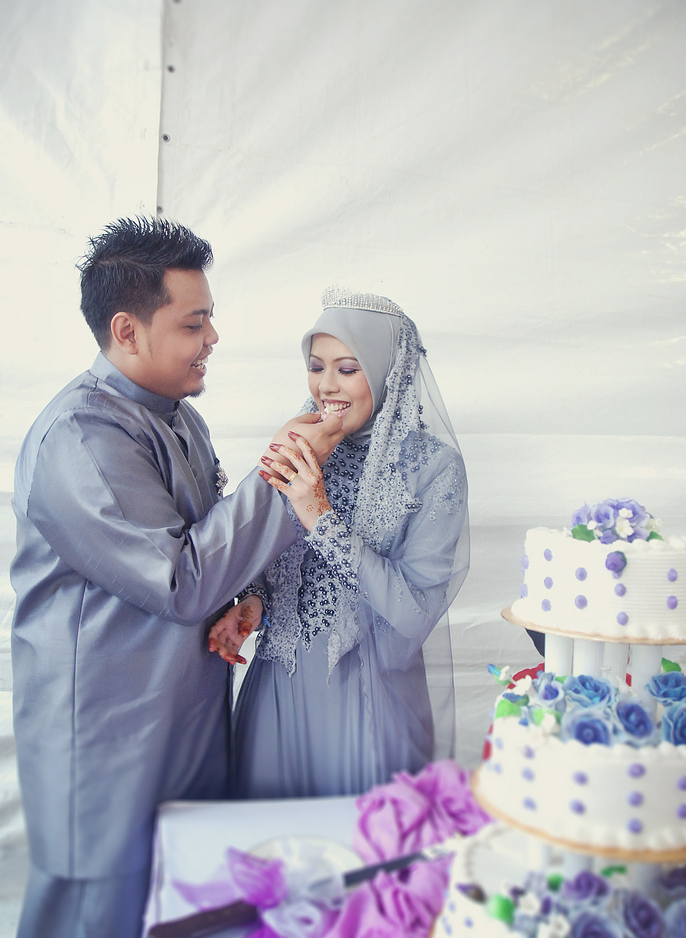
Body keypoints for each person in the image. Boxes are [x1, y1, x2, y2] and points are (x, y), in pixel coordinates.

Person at [9, 217, 343, 938]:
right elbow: (178, 580)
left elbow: (205, 552)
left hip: (181, 725)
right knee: (101, 918)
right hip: (110, 745)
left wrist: (244, 598)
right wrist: (288, 465)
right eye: (195, 323)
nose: (213, 339)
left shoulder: (177, 420)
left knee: (180, 909)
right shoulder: (81, 438)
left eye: (211, 319)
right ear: (127, 332)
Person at [210, 287, 469, 798]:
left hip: (370, 700)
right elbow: (271, 556)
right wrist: (255, 602)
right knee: (271, 854)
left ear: (387, 370)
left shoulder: (433, 468)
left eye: (347, 368)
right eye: (316, 366)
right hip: (276, 690)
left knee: (360, 861)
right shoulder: (300, 442)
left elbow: (415, 611)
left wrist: (319, 516)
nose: (326, 385)